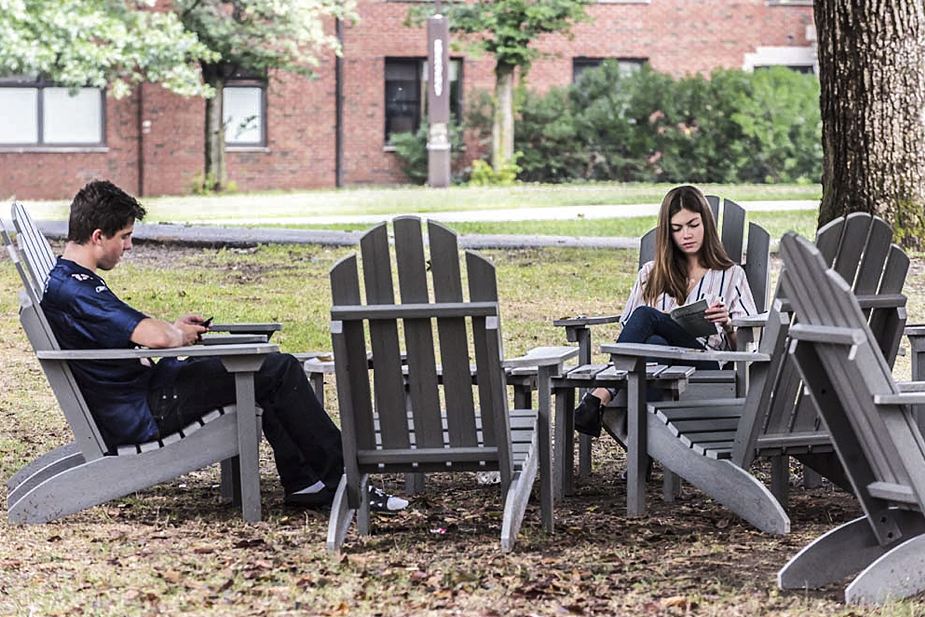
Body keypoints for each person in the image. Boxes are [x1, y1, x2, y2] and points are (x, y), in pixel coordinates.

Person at [40, 180, 408, 513]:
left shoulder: (72, 280)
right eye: (124, 236)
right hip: (148, 410)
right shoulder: (76, 290)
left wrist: (175, 329)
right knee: (277, 370)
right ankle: (347, 484)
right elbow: (156, 338)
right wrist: (176, 335)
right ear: (98, 236)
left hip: (149, 393)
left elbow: (137, 331)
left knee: (266, 367)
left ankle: (307, 483)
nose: (128, 246)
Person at [574, 185, 757, 437]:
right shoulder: (650, 273)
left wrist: (727, 324)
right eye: (677, 228)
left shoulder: (731, 275)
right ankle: (647, 446)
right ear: (668, 233)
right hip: (653, 366)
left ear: (706, 223)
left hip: (705, 365)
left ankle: (601, 393)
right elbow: (630, 332)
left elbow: (749, 348)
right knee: (655, 343)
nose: (686, 234)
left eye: (693, 225)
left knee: (645, 315)